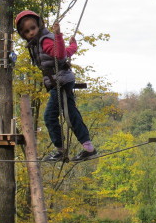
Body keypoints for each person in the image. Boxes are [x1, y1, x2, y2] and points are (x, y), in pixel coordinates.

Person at [15, 10, 97, 162]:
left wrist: (58, 35)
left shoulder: (45, 40)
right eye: (26, 32)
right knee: (71, 114)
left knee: (50, 116)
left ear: (39, 25)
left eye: (33, 28)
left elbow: (59, 54)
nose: (31, 33)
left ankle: (61, 150)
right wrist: (73, 46)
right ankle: (88, 147)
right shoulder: (39, 42)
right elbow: (65, 53)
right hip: (60, 81)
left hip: (61, 82)